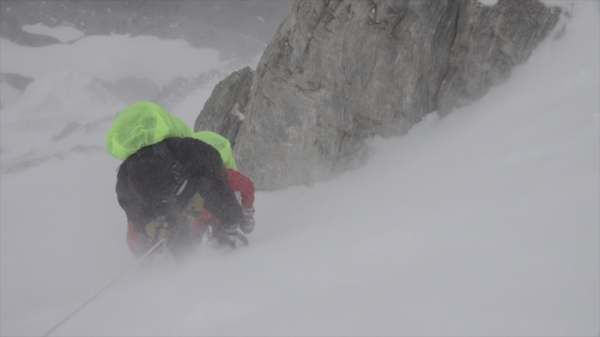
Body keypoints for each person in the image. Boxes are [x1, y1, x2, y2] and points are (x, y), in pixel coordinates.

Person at [106, 102, 245, 258]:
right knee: (171, 232)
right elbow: (132, 209)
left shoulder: (181, 151)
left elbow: (212, 165)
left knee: (223, 208)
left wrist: (228, 216)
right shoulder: (125, 183)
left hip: (189, 172)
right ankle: (181, 260)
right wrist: (146, 224)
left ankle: (228, 233)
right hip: (170, 187)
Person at [192, 131, 256, 239]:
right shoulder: (223, 177)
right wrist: (247, 214)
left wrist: (247, 213)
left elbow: (248, 186)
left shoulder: (226, 176)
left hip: (207, 146)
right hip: (202, 149)